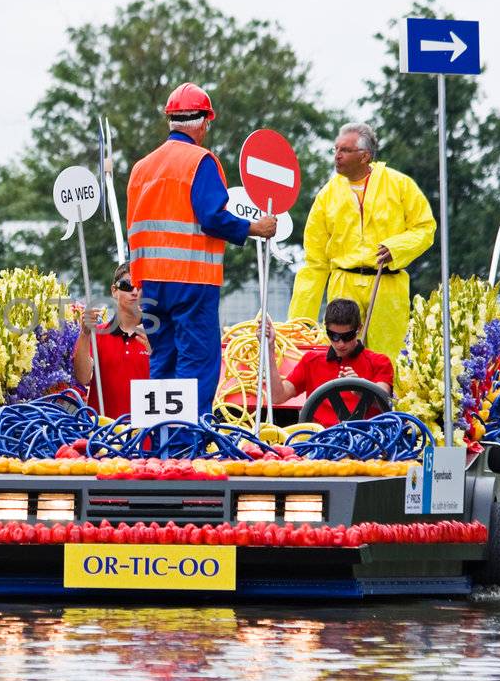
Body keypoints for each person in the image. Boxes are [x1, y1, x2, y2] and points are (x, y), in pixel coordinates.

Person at [126, 82, 276, 418]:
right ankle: (189, 445)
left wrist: (139, 279)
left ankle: (160, 444)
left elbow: (135, 229)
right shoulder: (200, 161)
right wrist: (255, 228)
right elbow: (212, 218)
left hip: (150, 284)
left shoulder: (141, 168)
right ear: (203, 122)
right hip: (191, 281)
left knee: (162, 360)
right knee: (197, 360)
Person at [286, 122, 435, 359]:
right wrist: (298, 323)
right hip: (344, 284)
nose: (337, 156)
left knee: (387, 359)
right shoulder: (326, 195)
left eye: (344, 150)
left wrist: (396, 248)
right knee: (342, 357)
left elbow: (425, 228)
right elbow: (315, 262)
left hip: (387, 284)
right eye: (335, 149)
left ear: (365, 156)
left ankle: (385, 397)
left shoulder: (399, 185)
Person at [261, 298, 394, 427]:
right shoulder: (311, 361)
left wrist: (360, 389)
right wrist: (269, 348)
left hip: (366, 442)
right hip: (319, 441)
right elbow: (278, 397)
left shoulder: (379, 362)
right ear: (326, 330)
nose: (340, 344)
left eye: (347, 337)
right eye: (334, 336)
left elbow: (385, 402)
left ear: (359, 329)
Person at [71, 263, 151, 418]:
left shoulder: (158, 336)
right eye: (127, 285)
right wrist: (85, 334)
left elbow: (172, 383)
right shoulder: (96, 334)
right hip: (103, 434)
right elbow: (82, 377)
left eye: (140, 287)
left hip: (146, 436)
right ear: (114, 290)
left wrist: (155, 354)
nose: (135, 292)